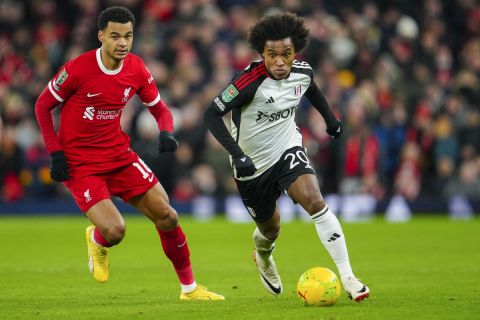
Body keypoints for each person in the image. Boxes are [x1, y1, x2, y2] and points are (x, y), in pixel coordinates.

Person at [34, 6, 224, 301]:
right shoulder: (78, 69)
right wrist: (55, 153)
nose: (122, 42)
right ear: (101, 36)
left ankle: (189, 289)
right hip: (82, 164)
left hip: (119, 156)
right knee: (115, 231)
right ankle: (97, 238)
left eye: (128, 36)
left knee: (168, 216)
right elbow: (42, 106)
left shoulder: (136, 68)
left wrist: (167, 132)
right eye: (115, 36)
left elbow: (160, 110)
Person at [204, 12, 369, 302]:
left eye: (286, 54)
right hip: (251, 166)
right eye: (272, 55)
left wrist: (331, 120)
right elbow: (212, 114)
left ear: (295, 52)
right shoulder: (248, 81)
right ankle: (263, 255)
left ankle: (348, 277)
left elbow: (313, 90)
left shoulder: (302, 73)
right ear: (262, 53)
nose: (280, 62)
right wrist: (237, 154)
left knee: (315, 201)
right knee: (270, 229)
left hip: (287, 149)